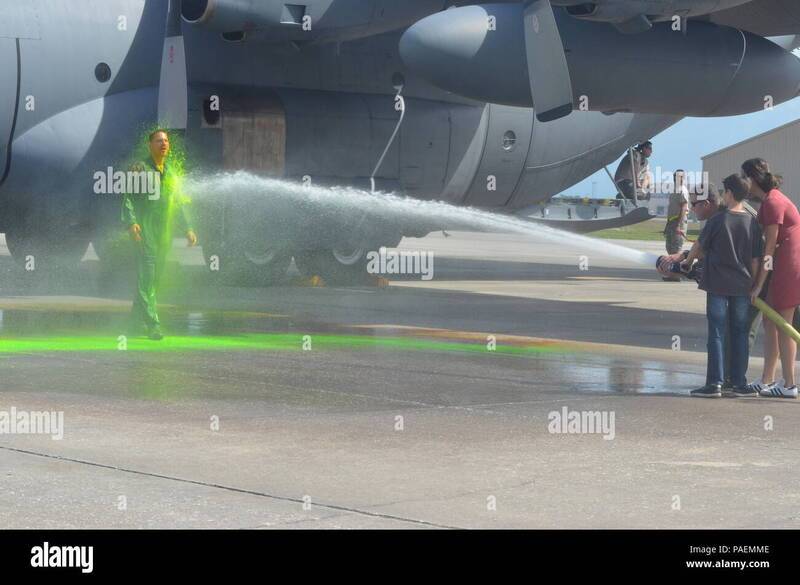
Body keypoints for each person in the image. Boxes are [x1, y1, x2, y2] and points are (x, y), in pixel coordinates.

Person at [680, 175, 763, 398]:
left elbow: (699, 245)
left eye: (724, 192)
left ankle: (714, 383)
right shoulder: (752, 222)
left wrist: (687, 264)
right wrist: (753, 283)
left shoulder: (718, 220)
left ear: (729, 194)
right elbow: (756, 259)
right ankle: (739, 383)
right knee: (740, 333)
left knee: (716, 333)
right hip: (743, 287)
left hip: (717, 285)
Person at [122, 129, 197, 340]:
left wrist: (188, 228)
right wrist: (131, 222)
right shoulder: (140, 169)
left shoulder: (171, 173)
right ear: (149, 145)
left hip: (163, 234)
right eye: (158, 141)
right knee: (146, 280)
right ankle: (153, 325)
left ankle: (133, 325)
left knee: (153, 281)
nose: (163, 144)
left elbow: (179, 204)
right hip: (145, 232)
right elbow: (127, 197)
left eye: (166, 141)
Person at [744, 158, 800, 398]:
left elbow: (769, 247)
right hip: (782, 264)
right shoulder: (769, 200)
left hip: (789, 265)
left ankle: (789, 384)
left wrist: (758, 285)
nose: (743, 182)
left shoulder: (774, 202)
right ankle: (768, 378)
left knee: (783, 323)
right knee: (770, 322)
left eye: (744, 176)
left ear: (753, 178)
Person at [662, 170, 689, 281]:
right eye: (678, 177)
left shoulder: (682, 190)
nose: (680, 179)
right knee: (670, 248)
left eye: (682, 177)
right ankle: (672, 273)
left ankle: (676, 275)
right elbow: (671, 209)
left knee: (676, 249)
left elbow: (683, 208)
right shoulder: (674, 190)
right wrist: (667, 226)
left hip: (679, 222)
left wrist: (678, 225)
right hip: (672, 222)